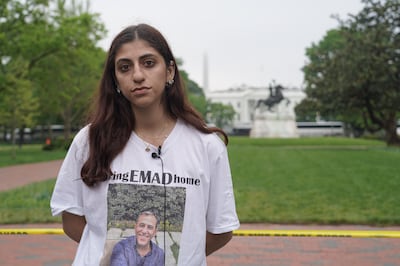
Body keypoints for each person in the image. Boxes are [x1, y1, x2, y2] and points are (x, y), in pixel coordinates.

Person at [50, 23, 240, 265]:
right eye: (125, 67)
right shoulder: (89, 141)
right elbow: (72, 220)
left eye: (149, 63)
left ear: (170, 71)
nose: (137, 75)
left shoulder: (207, 146)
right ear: (115, 80)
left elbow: (220, 230)